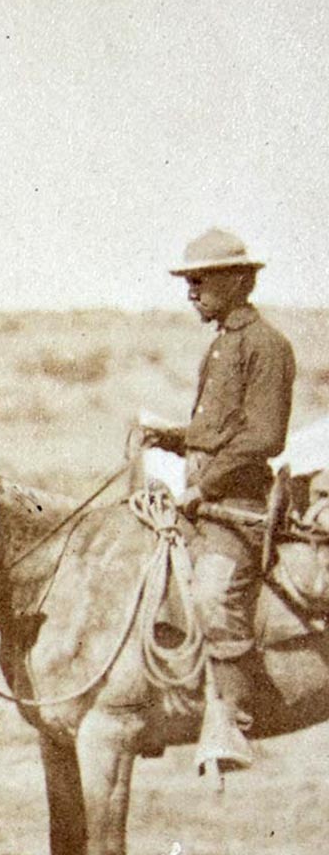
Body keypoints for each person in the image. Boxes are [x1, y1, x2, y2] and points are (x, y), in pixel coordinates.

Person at [143, 228, 295, 774]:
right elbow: (218, 432)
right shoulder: (221, 345)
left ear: (238, 281)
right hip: (202, 504)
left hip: (239, 510)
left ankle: (231, 719)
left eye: (200, 281)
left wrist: (202, 488)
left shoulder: (267, 346)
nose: (191, 293)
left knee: (211, 595)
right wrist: (171, 438)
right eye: (189, 282)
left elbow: (263, 439)